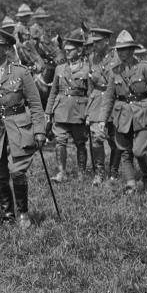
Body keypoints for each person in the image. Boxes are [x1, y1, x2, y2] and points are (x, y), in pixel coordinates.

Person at [0, 27, 45, 227]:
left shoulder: (21, 72)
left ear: (6, 49)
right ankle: (8, 214)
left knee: (17, 171)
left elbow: (36, 104)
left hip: (18, 129)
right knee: (0, 174)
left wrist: (39, 130)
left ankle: (23, 213)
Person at [100, 30, 147, 193]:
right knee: (124, 152)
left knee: (138, 151)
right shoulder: (114, 71)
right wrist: (102, 120)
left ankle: (145, 176)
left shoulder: (144, 68)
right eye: (119, 50)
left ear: (132, 50)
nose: (122, 53)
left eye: (125, 49)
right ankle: (130, 184)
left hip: (143, 114)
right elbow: (108, 97)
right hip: (122, 115)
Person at [44, 29, 91, 183]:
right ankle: (61, 172)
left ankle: (81, 173)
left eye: (71, 50)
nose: (67, 52)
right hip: (61, 109)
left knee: (80, 143)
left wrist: (89, 113)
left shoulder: (87, 68)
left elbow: (90, 93)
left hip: (79, 110)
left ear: (79, 50)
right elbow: (53, 92)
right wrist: (48, 111)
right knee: (60, 142)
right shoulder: (60, 68)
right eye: (66, 50)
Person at [86, 25, 120, 183]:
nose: (94, 45)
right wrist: (88, 108)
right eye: (93, 42)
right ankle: (99, 173)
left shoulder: (117, 57)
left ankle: (113, 171)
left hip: (113, 102)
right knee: (96, 139)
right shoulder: (92, 58)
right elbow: (90, 84)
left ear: (107, 41)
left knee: (115, 140)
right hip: (96, 102)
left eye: (98, 42)